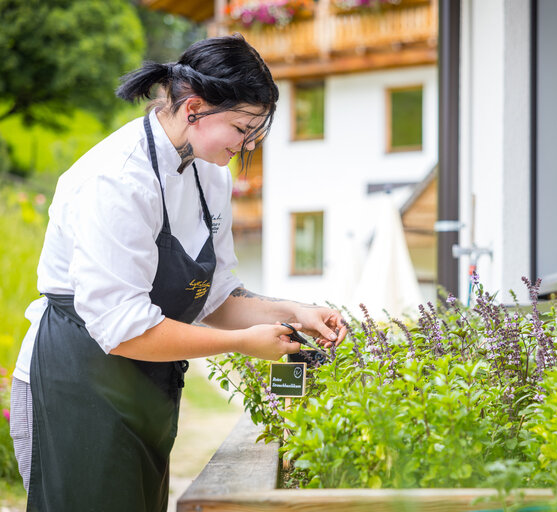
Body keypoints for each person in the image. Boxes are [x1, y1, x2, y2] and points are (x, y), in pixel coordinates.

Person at [9, 34, 347, 511]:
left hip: (144, 386)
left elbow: (216, 299)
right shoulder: (118, 178)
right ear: (194, 109)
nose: (250, 143)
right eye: (242, 127)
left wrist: (298, 311)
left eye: (257, 130)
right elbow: (122, 328)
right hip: (74, 384)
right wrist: (243, 343)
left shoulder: (212, 172)